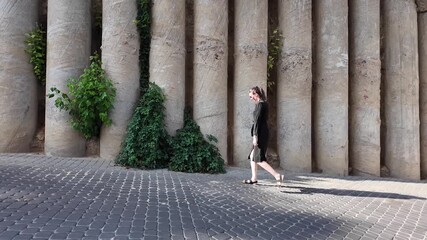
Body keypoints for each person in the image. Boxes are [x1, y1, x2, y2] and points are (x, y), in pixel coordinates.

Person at [243, 86, 284, 186]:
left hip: (260, 133)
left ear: (256, 94)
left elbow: (257, 122)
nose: (250, 98)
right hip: (262, 132)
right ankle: (254, 178)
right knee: (253, 156)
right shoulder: (263, 104)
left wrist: (255, 136)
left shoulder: (260, 105)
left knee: (259, 158)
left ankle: (277, 175)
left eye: (251, 96)